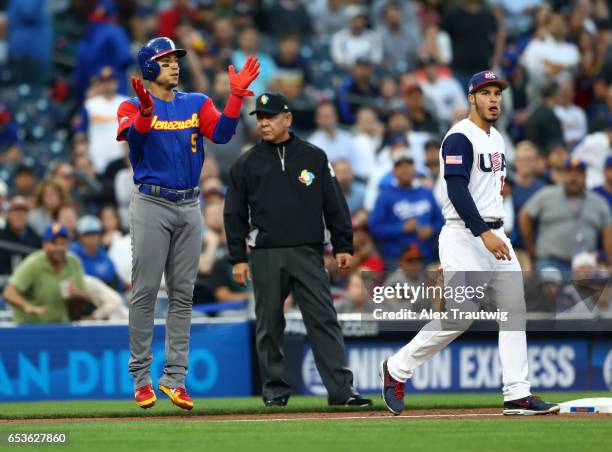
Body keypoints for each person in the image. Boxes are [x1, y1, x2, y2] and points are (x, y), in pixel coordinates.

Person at [379, 71, 560, 416]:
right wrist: (483, 232)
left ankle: (517, 394)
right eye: (486, 92)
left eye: (498, 93)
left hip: (494, 233)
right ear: (471, 98)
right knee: (459, 318)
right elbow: (456, 189)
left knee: (514, 312)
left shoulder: (499, 138)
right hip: (465, 234)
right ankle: (396, 368)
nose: (494, 98)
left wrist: (494, 232)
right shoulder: (459, 137)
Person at [115, 37, 260, 411]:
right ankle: (142, 378)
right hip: (151, 202)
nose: (175, 65)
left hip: (189, 203)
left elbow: (224, 134)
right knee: (146, 291)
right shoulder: (130, 105)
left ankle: (175, 379)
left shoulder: (196, 103)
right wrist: (146, 112)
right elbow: (135, 140)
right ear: (149, 68)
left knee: (183, 295)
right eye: (165, 61)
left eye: (176, 59)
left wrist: (236, 98)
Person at [224, 92, 372, 408]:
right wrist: (237, 257)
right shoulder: (245, 163)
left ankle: (341, 390)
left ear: (287, 119)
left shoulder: (314, 156)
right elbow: (233, 214)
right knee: (269, 323)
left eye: (270, 116)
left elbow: (334, 202)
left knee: (323, 320)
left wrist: (343, 243)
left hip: (308, 250)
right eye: (260, 117)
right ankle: (275, 391)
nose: (263, 122)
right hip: (265, 253)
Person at [518, 159, 612, 273]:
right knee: (549, 286)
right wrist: (531, 250)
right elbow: (525, 215)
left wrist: (609, 261)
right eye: (569, 172)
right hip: (550, 261)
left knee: (595, 287)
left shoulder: (598, 202)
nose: (573, 177)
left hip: (585, 264)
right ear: (563, 175)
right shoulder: (547, 194)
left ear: (586, 177)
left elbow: (608, 232)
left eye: (579, 173)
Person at [2, 223, 90, 324]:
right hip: (29, 326)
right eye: (54, 243)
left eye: (63, 243)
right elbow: (9, 292)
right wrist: (27, 306)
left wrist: (77, 294)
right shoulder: (33, 263)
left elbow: (85, 295)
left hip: (61, 325)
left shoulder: (74, 262)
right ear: (44, 245)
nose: (59, 248)